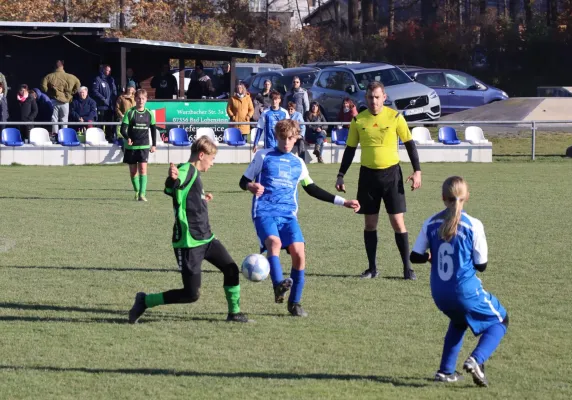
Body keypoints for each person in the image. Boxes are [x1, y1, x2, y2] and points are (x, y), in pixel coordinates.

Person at [239, 119, 360, 317]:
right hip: (265, 211)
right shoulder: (263, 156)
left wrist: (343, 201)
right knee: (274, 243)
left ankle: (294, 303)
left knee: (299, 253)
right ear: (276, 137)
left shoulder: (298, 163)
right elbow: (243, 181)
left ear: (296, 139)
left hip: (288, 215)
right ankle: (278, 284)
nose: (286, 142)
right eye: (283, 138)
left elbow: (311, 189)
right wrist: (250, 186)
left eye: (290, 138)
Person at [128, 137, 250, 324]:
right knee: (191, 294)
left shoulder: (194, 173)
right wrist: (172, 179)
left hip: (207, 238)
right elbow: (172, 187)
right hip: (189, 241)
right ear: (202, 155)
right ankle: (145, 300)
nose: (212, 163)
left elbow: (186, 195)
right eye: (212, 159)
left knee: (231, 269)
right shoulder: (186, 170)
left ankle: (234, 313)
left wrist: (202, 199)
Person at [410, 176, 508, 387]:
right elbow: (481, 265)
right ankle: (477, 360)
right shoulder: (473, 225)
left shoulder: (431, 222)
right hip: (464, 290)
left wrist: (431, 257)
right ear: (467, 197)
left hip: (439, 293)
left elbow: (415, 257)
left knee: (459, 321)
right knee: (500, 320)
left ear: (443, 198)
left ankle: (445, 371)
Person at [335, 81, 422, 280]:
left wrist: (417, 171)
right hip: (368, 177)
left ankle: (407, 268)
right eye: (370, 97)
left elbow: (410, 144)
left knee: (398, 222)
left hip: (392, 176)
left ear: (384, 97)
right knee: (370, 223)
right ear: (366, 98)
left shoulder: (395, 117)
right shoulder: (359, 121)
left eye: (377, 97)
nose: (373, 101)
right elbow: (349, 150)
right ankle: (372, 268)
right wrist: (341, 174)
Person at [120, 89, 157, 202]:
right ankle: (137, 191)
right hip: (131, 147)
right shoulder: (130, 112)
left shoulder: (149, 113)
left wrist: (154, 144)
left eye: (143, 99)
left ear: (146, 100)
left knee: (143, 169)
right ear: (135, 99)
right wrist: (128, 138)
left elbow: (153, 129)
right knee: (133, 171)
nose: (141, 101)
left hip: (144, 146)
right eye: (139, 98)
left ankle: (142, 194)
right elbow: (123, 129)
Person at [41, 60, 81, 136]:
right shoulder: (71, 77)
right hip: (65, 101)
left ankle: (55, 135)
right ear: (63, 66)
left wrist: (49, 92)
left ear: (55, 67)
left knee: (54, 118)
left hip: (54, 100)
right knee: (64, 119)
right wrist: (71, 93)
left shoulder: (49, 76)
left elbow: (43, 87)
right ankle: (64, 135)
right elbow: (78, 84)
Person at [92, 64, 118, 142]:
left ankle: (109, 138)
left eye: (109, 71)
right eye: (107, 70)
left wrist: (115, 99)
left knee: (109, 123)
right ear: (103, 70)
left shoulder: (111, 80)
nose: (108, 72)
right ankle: (99, 138)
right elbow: (94, 91)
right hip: (101, 106)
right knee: (100, 123)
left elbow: (114, 91)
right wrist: (103, 99)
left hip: (110, 106)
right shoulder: (98, 79)